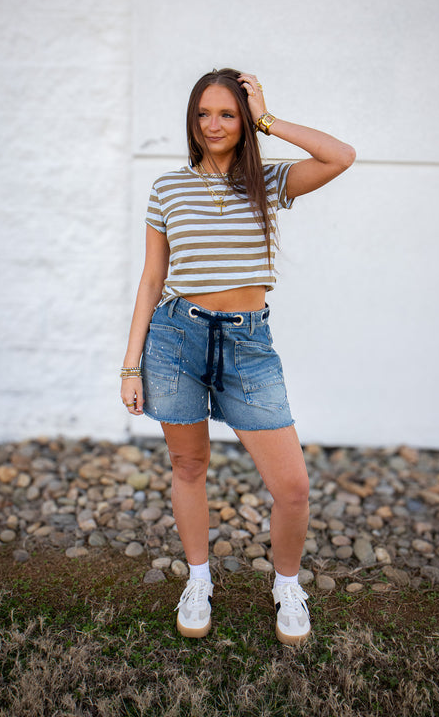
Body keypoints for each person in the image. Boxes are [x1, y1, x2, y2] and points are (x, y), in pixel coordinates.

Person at [120, 68, 355, 645]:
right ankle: (198, 579)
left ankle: (287, 585)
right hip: (176, 339)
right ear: (191, 121)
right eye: (204, 114)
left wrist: (268, 120)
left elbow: (340, 155)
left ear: (243, 120)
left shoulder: (268, 182)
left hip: (249, 344)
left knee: (292, 486)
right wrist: (130, 364)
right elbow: (152, 280)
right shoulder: (167, 189)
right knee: (188, 466)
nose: (214, 125)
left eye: (228, 113)